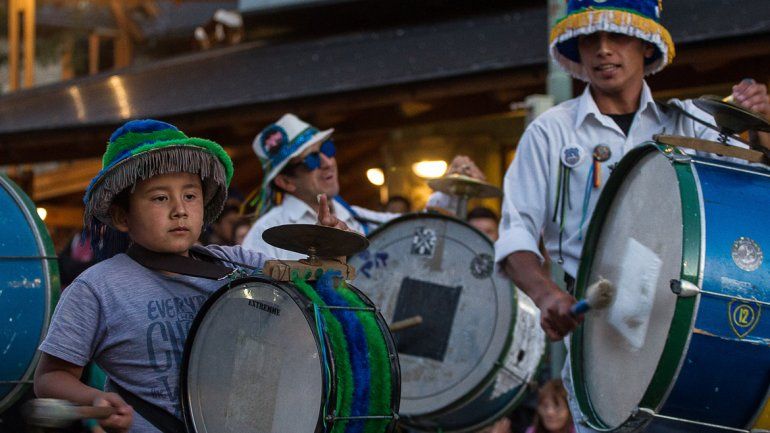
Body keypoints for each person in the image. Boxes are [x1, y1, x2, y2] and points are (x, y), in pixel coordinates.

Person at [495, 1, 769, 431]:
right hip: (598, 331)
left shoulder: (692, 123)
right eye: (590, 38)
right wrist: (547, 295)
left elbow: (753, 192)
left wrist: (762, 124)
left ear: (646, 44)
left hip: (691, 329)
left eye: (618, 35)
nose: (603, 50)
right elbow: (515, 234)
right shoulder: (550, 132)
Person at [33, 119, 345, 433]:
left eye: (191, 196)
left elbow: (313, 289)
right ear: (122, 215)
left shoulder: (235, 260)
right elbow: (49, 377)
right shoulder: (96, 288)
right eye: (160, 198)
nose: (179, 210)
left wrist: (330, 252)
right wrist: (94, 399)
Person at [242, 113, 484, 259]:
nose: (327, 162)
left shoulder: (355, 217)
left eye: (327, 148)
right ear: (285, 182)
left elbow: (414, 231)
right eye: (312, 159)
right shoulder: (265, 234)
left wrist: (453, 188)